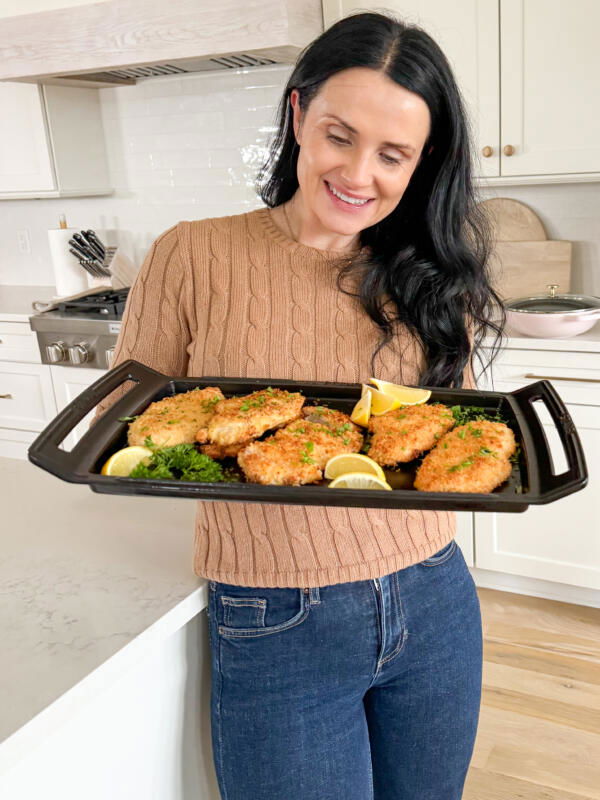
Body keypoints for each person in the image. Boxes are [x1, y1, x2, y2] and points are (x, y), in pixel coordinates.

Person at [94, 11, 504, 799]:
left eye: (393, 155)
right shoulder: (192, 252)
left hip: (434, 594)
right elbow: (125, 414)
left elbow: (450, 426)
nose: (359, 174)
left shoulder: (429, 270)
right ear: (297, 116)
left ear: (422, 162)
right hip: (274, 614)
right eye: (338, 136)